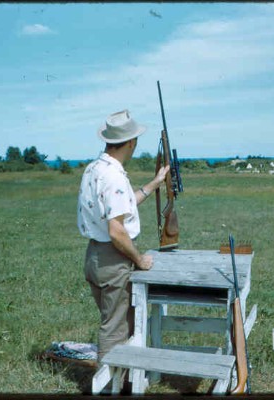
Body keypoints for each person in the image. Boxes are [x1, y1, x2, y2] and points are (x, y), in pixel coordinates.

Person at [77, 109, 169, 362]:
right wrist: (139, 261)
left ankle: (124, 380)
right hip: (112, 259)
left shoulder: (94, 168)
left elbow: (120, 208)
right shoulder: (114, 176)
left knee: (117, 322)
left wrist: (153, 184)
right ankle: (107, 386)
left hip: (95, 256)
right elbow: (117, 231)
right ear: (131, 142)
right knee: (115, 329)